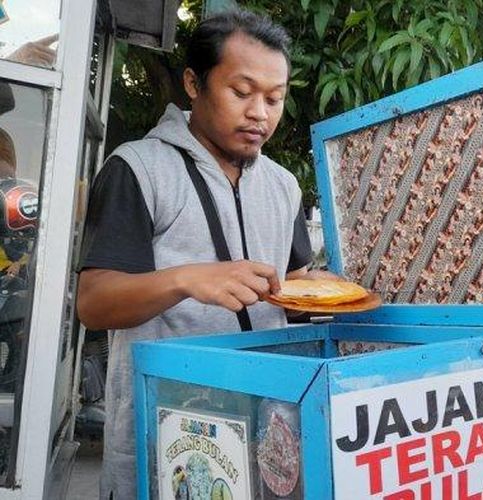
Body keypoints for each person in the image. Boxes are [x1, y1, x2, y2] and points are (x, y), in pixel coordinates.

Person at [76, 12, 328, 499]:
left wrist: (330, 294)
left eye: (274, 99)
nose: (261, 113)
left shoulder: (283, 185)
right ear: (194, 82)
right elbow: (94, 301)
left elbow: (295, 289)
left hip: (267, 427)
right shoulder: (138, 168)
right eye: (242, 92)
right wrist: (186, 279)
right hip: (167, 433)